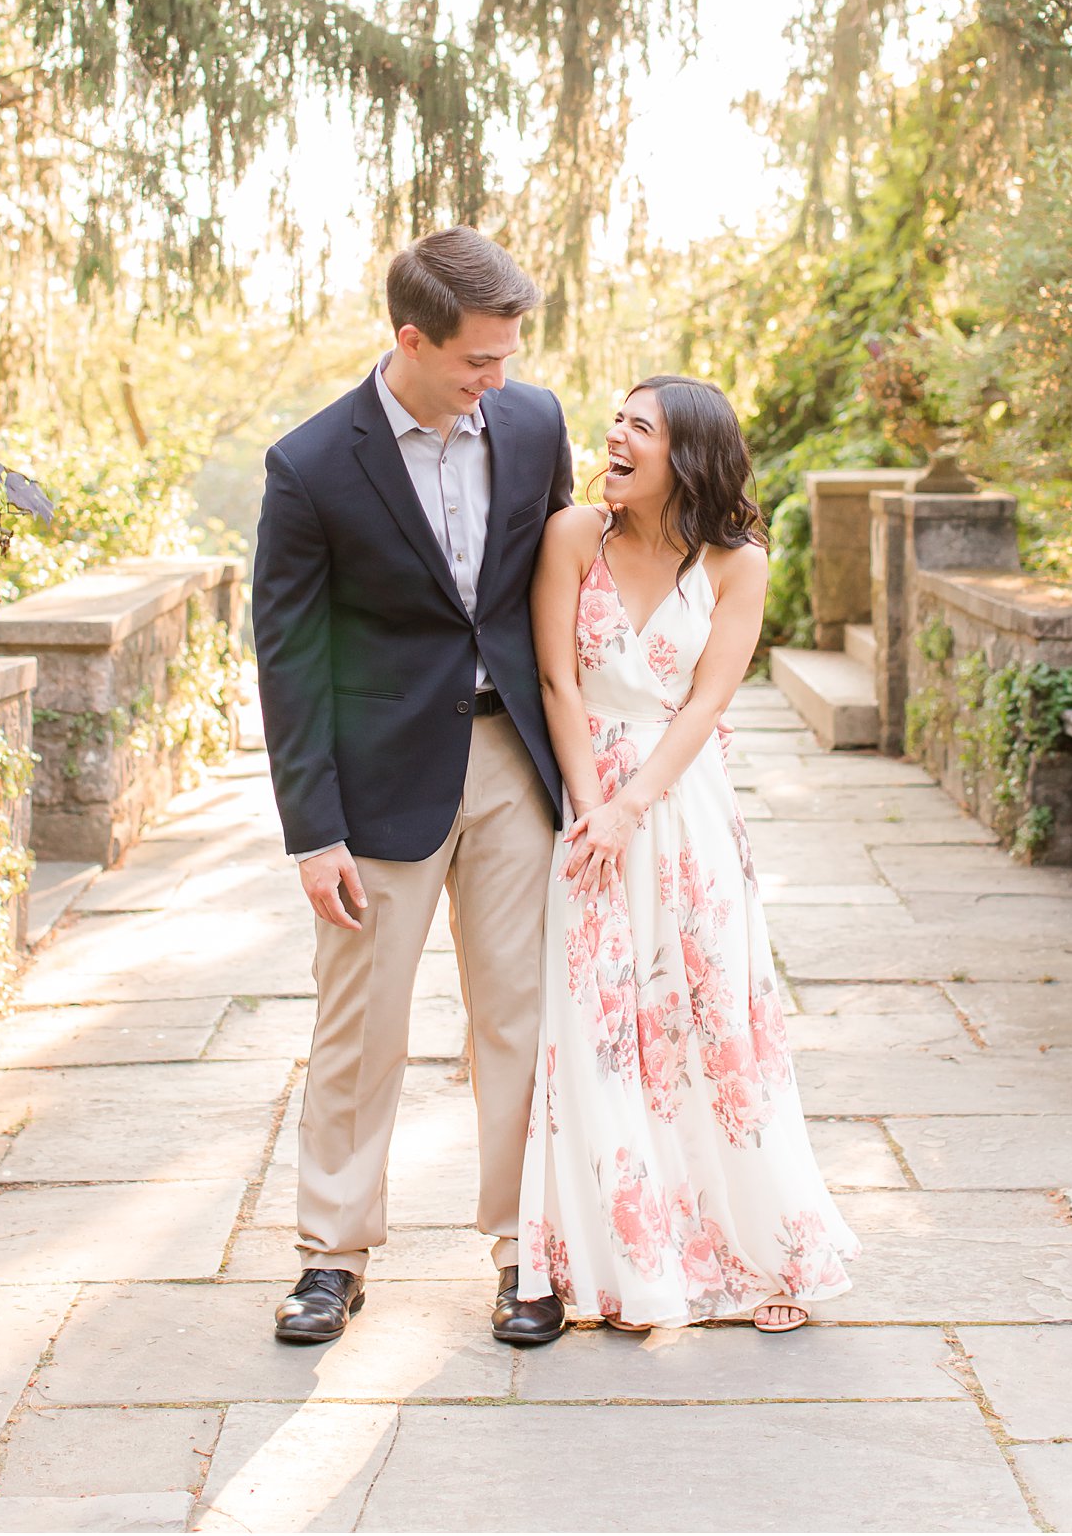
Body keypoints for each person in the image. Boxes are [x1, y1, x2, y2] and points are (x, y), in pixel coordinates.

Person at [251, 227, 574, 1348]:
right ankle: (330, 1256)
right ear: (409, 340)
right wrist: (312, 831)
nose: (497, 381)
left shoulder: (532, 425)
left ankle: (526, 1248)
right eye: (477, 361)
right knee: (359, 1022)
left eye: (506, 357)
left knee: (522, 1017)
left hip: (511, 765)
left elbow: (564, 591)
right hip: (374, 779)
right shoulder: (308, 465)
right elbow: (285, 656)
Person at [518, 375, 860, 1331]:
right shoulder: (572, 536)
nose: (615, 437)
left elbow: (709, 701)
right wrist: (594, 810)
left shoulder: (737, 560)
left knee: (708, 1021)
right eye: (616, 421)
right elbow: (555, 677)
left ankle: (760, 1253)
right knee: (603, 1029)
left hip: (683, 806)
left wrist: (635, 805)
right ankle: (632, 1261)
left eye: (641, 426)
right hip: (588, 810)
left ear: (689, 454)